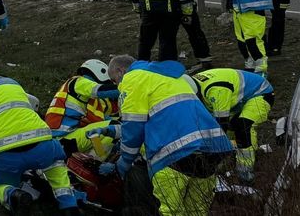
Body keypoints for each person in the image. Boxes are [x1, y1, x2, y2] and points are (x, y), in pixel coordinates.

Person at [99, 54, 231, 216]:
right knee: (197, 210)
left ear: (120, 71)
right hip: (212, 148)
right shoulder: (165, 76)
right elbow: (161, 118)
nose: (117, 85)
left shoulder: (132, 79)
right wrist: (112, 130)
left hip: (175, 154)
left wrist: (124, 162)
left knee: (171, 211)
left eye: (114, 80)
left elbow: (133, 127)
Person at [0, 56, 79, 213]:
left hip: (7, 156)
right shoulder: (11, 83)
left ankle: (12, 194)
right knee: (55, 165)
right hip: (43, 146)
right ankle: (69, 204)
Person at [190, 67, 274, 183]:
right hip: (239, 98)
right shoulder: (192, 84)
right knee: (230, 131)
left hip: (261, 93)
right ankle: (235, 156)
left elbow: (220, 125)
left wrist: (210, 156)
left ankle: (245, 171)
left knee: (243, 126)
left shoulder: (216, 90)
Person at [43, 59, 121, 159]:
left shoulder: (86, 98)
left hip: (63, 140)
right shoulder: (78, 81)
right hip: (63, 139)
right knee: (114, 127)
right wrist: (129, 86)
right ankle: (96, 162)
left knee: (109, 128)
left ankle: (94, 160)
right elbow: (101, 91)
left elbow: (103, 120)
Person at [177, 0, 213, 71]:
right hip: (180, 5)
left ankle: (204, 60)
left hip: (178, 5)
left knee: (194, 32)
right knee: (194, 32)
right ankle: (204, 59)